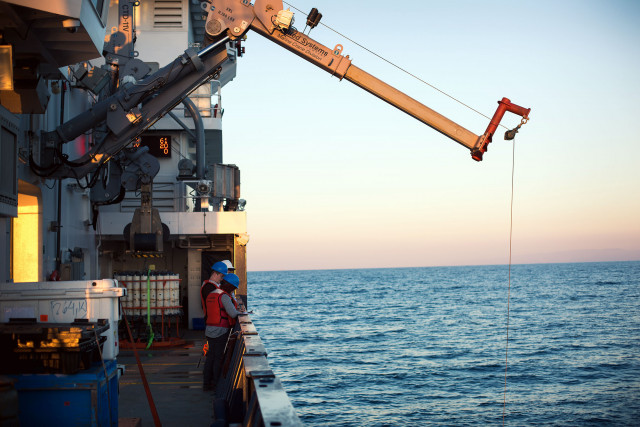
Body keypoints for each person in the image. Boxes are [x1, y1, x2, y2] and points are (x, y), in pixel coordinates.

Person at [201, 272, 244, 391]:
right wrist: (243, 313)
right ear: (230, 286)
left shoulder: (212, 294)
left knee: (210, 357)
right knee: (218, 358)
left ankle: (206, 383)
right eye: (234, 288)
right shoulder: (224, 296)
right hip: (220, 330)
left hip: (209, 330)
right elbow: (233, 314)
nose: (234, 290)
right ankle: (215, 384)